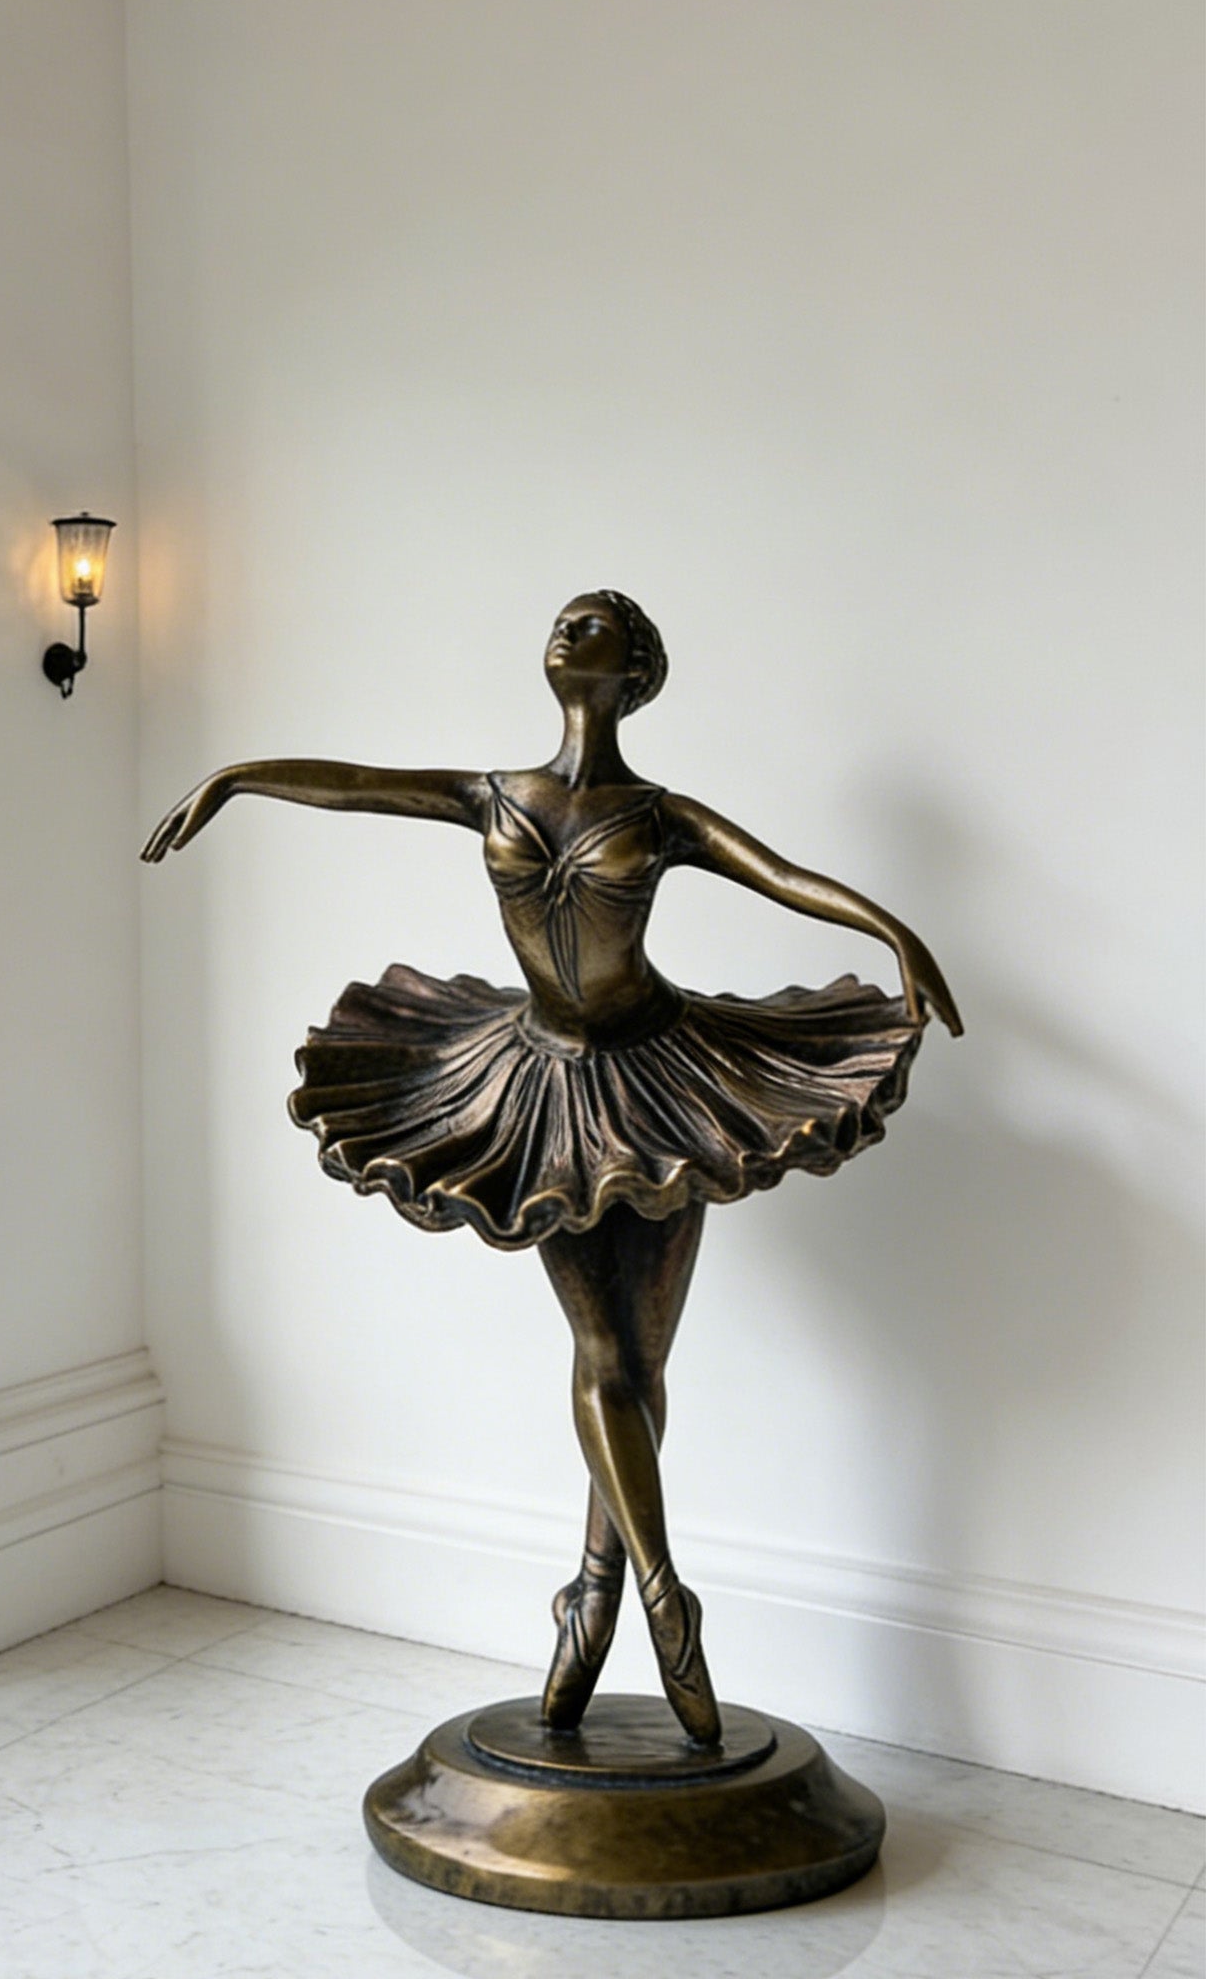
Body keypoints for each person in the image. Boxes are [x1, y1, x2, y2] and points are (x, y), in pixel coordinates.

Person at [142, 590, 962, 1745]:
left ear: (635, 674)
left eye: (599, 627)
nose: (571, 632)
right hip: (538, 1083)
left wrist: (892, 932)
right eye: (565, 622)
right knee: (605, 1354)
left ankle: (589, 1589)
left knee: (637, 1361)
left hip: (667, 1076)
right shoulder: (493, 792)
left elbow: (780, 876)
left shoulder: (660, 813)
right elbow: (358, 784)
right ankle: (662, 1595)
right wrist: (236, 775)